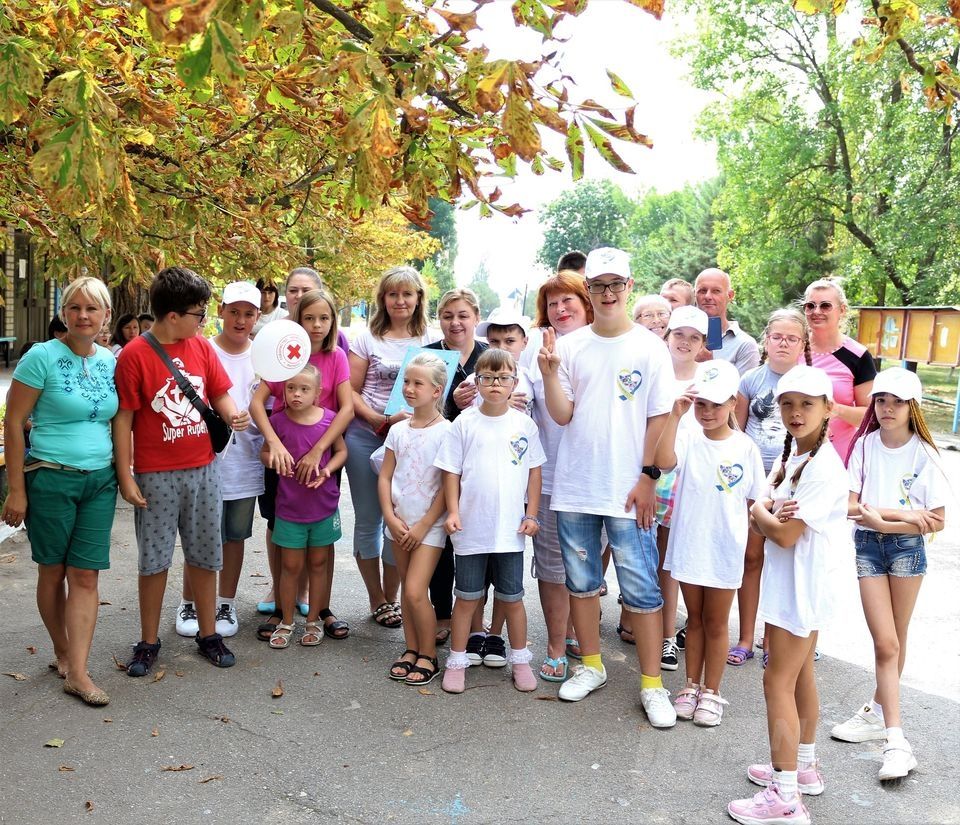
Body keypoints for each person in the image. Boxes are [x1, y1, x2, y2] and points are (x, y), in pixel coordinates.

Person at [539, 247, 677, 727]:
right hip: (577, 486)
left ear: (629, 286)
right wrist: (549, 372)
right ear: (589, 291)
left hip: (628, 489)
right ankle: (592, 666)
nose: (608, 293)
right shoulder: (572, 346)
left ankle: (653, 684)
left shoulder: (649, 346)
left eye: (616, 284)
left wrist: (647, 477)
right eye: (599, 286)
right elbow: (561, 414)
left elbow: (659, 416)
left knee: (641, 590)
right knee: (582, 583)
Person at [113, 266, 250, 677]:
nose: (203, 320)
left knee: (207, 556)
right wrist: (126, 474)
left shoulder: (202, 348)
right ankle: (148, 640)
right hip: (155, 475)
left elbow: (219, 391)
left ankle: (209, 634)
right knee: (153, 561)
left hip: (203, 470)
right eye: (198, 313)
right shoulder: (136, 355)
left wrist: (233, 414)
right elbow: (123, 419)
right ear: (173, 315)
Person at [729, 365, 848, 825]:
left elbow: (782, 534)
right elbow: (771, 521)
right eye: (788, 403)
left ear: (827, 410)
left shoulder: (821, 468)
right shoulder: (792, 457)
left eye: (807, 404)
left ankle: (784, 797)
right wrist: (768, 511)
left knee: (775, 680)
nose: (796, 412)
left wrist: (760, 507)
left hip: (802, 588)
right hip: (794, 586)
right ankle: (805, 769)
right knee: (797, 679)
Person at [1, 277, 118, 706]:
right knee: (53, 571)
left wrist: (124, 474)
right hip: (50, 476)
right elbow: (13, 424)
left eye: (92, 308)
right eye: (75, 307)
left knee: (86, 574)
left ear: (106, 315)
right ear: (64, 313)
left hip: (100, 481)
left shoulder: (110, 361)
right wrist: (17, 489)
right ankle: (63, 651)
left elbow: (116, 421)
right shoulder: (41, 357)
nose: (83, 315)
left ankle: (79, 671)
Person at [834, 367, 947, 780]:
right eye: (881, 400)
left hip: (904, 549)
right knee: (886, 643)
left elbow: (935, 520)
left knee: (892, 643)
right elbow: (849, 505)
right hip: (868, 545)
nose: (887, 408)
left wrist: (883, 521)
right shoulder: (864, 445)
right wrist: (899, 514)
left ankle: (888, 730)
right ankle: (890, 732)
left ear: (911, 406)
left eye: (897, 402)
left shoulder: (924, 453)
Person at [655, 360, 766, 727]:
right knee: (696, 619)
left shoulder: (746, 448)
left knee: (718, 622)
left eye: (716, 404)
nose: (707, 412)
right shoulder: (687, 438)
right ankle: (690, 686)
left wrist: (754, 545)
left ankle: (713, 690)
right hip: (689, 543)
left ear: (733, 403)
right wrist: (675, 414)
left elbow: (755, 502)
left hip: (724, 548)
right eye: (701, 403)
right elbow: (663, 461)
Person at [436, 349, 546, 694]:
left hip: (510, 531)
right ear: (477, 382)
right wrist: (452, 512)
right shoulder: (463, 424)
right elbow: (450, 474)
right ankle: (457, 660)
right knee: (467, 598)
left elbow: (534, 475)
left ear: (514, 382)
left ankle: (520, 660)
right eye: (487, 378)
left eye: (503, 378)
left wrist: (531, 514)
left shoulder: (524, 425)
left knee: (512, 597)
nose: (495, 384)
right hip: (471, 528)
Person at [251, 287, 353, 641]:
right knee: (285, 531)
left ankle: (320, 611)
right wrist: (275, 443)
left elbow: (346, 408)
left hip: (322, 449)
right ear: (296, 320)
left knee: (321, 543)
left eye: (324, 318)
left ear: (333, 321)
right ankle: (284, 610)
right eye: (309, 318)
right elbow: (257, 402)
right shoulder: (285, 355)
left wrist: (319, 451)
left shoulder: (337, 356)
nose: (316, 325)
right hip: (286, 448)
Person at [346, 266, 434, 629]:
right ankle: (376, 598)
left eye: (407, 294)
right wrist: (378, 421)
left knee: (402, 519)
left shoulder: (433, 337)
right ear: (383, 299)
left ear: (418, 298)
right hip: (367, 435)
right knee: (369, 519)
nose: (400, 301)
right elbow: (350, 391)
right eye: (393, 294)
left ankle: (393, 595)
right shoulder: (366, 338)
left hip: (414, 441)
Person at [176, 282, 264, 640]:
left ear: (257, 316)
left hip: (246, 462)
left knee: (234, 537)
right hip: (203, 461)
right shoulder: (202, 350)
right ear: (221, 311)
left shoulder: (264, 356)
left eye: (249, 314)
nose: (240, 320)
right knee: (199, 536)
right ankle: (190, 602)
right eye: (234, 312)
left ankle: (225, 602)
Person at [730, 309, 811, 666]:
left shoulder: (810, 382)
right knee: (751, 557)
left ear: (802, 344)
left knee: (786, 561)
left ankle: (775, 638)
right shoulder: (749, 380)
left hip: (793, 483)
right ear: (766, 340)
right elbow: (737, 432)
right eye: (777, 336)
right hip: (753, 481)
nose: (783, 343)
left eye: (792, 338)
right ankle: (746, 637)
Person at [528, 271, 593, 681]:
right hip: (550, 476)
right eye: (552, 303)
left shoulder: (604, 347)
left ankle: (577, 633)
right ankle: (555, 644)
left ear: (587, 303)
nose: (560, 308)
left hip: (595, 478)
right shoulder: (533, 350)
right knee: (551, 565)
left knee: (585, 566)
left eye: (568, 300)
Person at [643, 305, 709, 671]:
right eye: (678, 334)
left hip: (694, 478)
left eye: (693, 337)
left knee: (678, 560)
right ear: (668, 336)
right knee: (653, 558)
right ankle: (655, 632)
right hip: (656, 474)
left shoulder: (710, 375)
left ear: (702, 343)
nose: (684, 342)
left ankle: (677, 633)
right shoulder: (655, 372)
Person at [378, 353, 452, 685]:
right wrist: (389, 517)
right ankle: (410, 648)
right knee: (407, 593)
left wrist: (424, 525)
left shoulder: (447, 432)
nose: (409, 388)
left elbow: (448, 487)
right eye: (406, 382)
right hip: (399, 523)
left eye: (417, 383)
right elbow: (385, 476)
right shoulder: (397, 429)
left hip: (428, 527)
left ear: (437, 391)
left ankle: (429, 655)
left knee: (415, 590)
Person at [263, 365, 347, 649]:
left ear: (318, 393)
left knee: (319, 564)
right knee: (289, 565)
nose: (296, 394)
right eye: (290, 388)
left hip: (323, 506)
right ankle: (287, 620)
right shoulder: (277, 421)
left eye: (304, 389)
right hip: (289, 508)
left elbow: (342, 452)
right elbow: (264, 452)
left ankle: (313, 620)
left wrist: (327, 470)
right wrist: (274, 458)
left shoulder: (330, 420)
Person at [425, 288, 488, 643]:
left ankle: (477, 616)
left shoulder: (490, 357)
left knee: (476, 537)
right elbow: (411, 408)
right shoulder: (428, 357)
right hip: (438, 461)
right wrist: (451, 400)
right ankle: (441, 613)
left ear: (476, 318)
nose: (455, 323)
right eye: (448, 316)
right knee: (441, 539)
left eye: (463, 315)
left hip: (481, 463)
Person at [803, 278, 876, 462]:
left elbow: (871, 416)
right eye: (810, 306)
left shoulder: (857, 355)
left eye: (825, 306)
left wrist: (836, 409)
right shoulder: (794, 347)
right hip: (794, 452)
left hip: (839, 457)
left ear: (842, 310)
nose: (816, 311)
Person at [694, 268, 760, 374]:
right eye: (702, 291)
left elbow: (743, 390)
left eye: (716, 291)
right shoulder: (679, 337)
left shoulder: (744, 345)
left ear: (730, 295)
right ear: (694, 294)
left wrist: (709, 365)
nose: (708, 296)